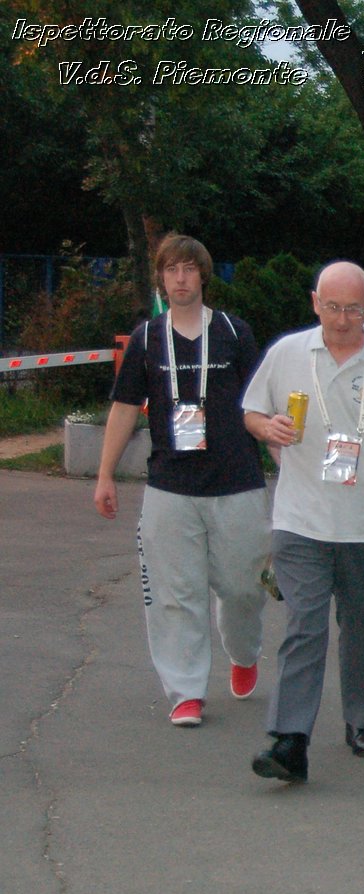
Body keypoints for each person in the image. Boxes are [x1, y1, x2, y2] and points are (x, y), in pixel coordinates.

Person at [242, 261, 364, 783]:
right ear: (314, 303)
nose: (342, 318)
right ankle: (290, 739)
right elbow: (251, 411)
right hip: (299, 519)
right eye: (332, 307)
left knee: (359, 626)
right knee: (304, 624)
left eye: (353, 308)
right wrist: (268, 427)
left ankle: (359, 721)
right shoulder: (287, 354)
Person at [93, 233, 269, 728]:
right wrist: (105, 475)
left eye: (189, 269)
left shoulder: (235, 332)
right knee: (176, 593)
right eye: (171, 270)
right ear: (161, 278)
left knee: (242, 587)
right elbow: (126, 407)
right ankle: (186, 690)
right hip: (170, 486)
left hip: (238, 483)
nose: (181, 278)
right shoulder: (148, 338)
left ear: (203, 275)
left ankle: (243, 650)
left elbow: (261, 405)